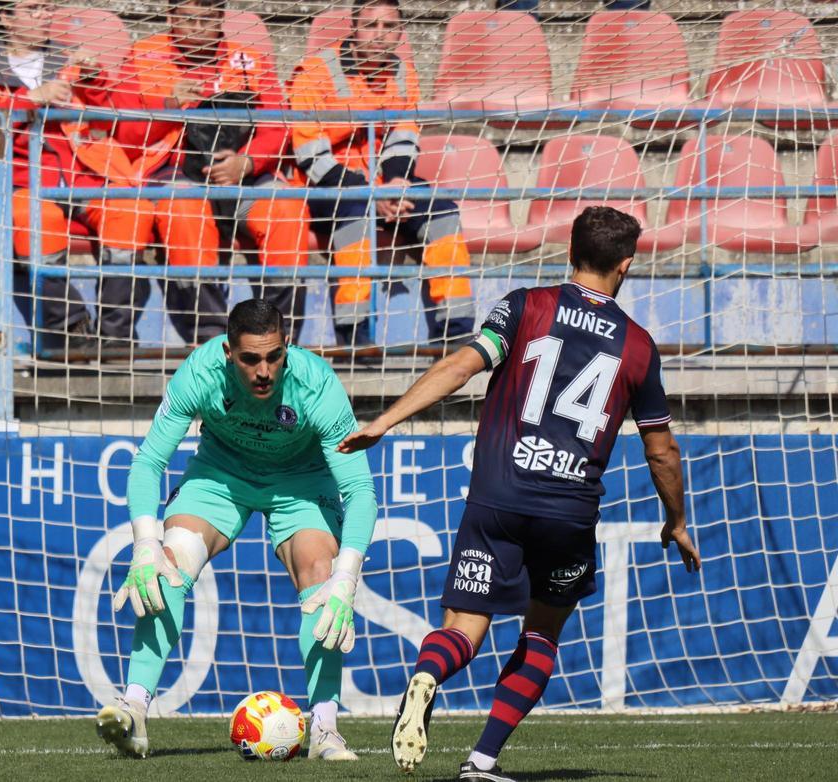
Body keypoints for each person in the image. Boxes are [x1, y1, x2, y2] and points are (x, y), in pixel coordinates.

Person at [338, 207, 702, 780]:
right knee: (541, 632)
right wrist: (676, 519)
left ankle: (430, 675)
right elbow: (661, 450)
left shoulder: (524, 306)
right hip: (568, 512)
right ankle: (481, 760)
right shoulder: (638, 346)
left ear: (569, 253)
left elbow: (461, 366)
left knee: (464, 626)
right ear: (627, 265)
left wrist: (385, 421)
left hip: (497, 498)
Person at [96, 298, 377, 760]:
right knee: (170, 558)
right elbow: (147, 462)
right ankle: (135, 709)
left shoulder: (318, 385)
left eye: (273, 357)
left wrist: (348, 577)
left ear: (288, 347)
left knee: (322, 576)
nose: (263, 371)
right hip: (221, 473)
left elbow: (360, 490)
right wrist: (145, 544)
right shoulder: (200, 372)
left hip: (300, 481)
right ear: (228, 352)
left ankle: (325, 730)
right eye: (249, 359)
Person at [0, 0, 161, 354]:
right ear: (6, 16)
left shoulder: (71, 61)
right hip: (20, 182)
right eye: (33, 8)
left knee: (131, 210)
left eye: (48, 8)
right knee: (36, 219)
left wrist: (94, 75)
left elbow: (112, 109)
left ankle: (116, 334)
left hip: (87, 176)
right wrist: (30, 98)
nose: (44, 16)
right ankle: (72, 330)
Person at [108, 0, 311, 344]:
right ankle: (210, 337)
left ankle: (279, 338)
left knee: (287, 208)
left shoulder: (249, 61)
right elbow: (124, 136)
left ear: (221, 18)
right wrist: (169, 107)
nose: (198, 28)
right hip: (174, 175)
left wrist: (245, 163)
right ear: (170, 17)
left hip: (243, 183)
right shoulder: (143, 57)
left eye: (208, 18)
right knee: (184, 206)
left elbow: (278, 126)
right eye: (189, 19)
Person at [289, 0, 474, 355]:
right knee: (355, 213)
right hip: (325, 186)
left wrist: (394, 183)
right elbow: (311, 156)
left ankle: (456, 331)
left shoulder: (403, 72)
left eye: (389, 27)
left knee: (442, 211)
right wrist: (375, 192)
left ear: (400, 32)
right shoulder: (313, 73)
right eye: (370, 26)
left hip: (385, 183)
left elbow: (404, 135)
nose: (379, 35)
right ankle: (354, 333)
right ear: (354, 30)